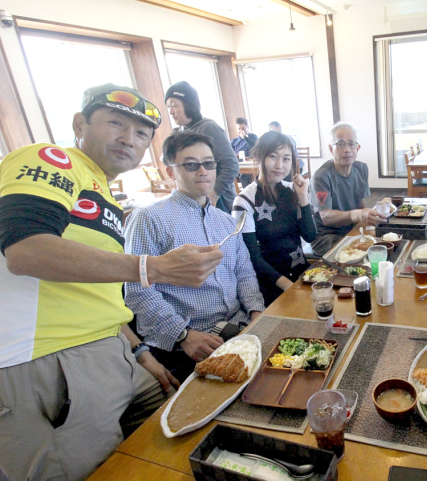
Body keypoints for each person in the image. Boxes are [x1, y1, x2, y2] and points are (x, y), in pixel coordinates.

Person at [0, 84, 224, 481]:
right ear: (79, 124)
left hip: (115, 350)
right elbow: (25, 251)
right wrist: (152, 267)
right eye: (116, 123)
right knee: (90, 474)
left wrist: (138, 352)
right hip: (48, 358)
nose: (128, 139)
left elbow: (96, 290)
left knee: (166, 440)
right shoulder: (52, 159)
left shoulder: (101, 190)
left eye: (141, 133)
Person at [124, 131, 266, 383]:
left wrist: (256, 313)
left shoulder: (225, 221)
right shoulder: (149, 218)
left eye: (209, 163)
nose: (203, 171)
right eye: (191, 164)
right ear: (170, 172)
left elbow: (244, 272)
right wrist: (183, 334)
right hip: (185, 343)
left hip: (237, 327)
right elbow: (138, 291)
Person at [232, 131, 316, 305]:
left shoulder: (292, 190)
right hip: (272, 282)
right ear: (259, 156)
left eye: (286, 159)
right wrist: (288, 286)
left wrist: (303, 198)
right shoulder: (244, 201)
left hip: (302, 272)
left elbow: (310, 236)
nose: (280, 165)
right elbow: (251, 256)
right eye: (273, 156)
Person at [309, 122, 386, 256]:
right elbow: (325, 216)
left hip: (352, 229)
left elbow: (360, 207)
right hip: (327, 237)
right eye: (340, 144)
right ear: (331, 149)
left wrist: (367, 219)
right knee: (363, 254)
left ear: (358, 147)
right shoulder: (321, 177)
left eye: (351, 144)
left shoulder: (361, 169)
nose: (347, 149)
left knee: (385, 245)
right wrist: (358, 214)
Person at [165, 81, 238, 213]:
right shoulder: (179, 132)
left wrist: (214, 193)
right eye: (168, 106)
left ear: (188, 105)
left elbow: (231, 166)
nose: (171, 111)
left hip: (218, 203)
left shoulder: (209, 128)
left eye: (174, 106)